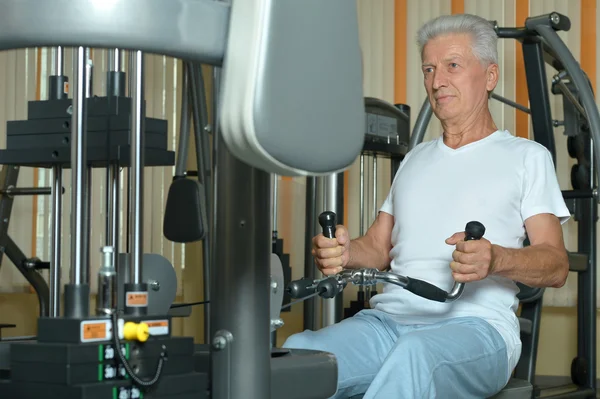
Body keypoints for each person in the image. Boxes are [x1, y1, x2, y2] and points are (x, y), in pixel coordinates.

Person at [282, 13, 571, 399]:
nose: (436, 82)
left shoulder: (526, 157)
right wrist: (347, 252)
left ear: (489, 76)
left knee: (415, 356)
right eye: (429, 69)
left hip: (477, 327)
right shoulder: (415, 159)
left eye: (452, 66)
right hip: (387, 323)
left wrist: (497, 259)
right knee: (299, 356)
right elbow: (378, 248)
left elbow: (556, 264)